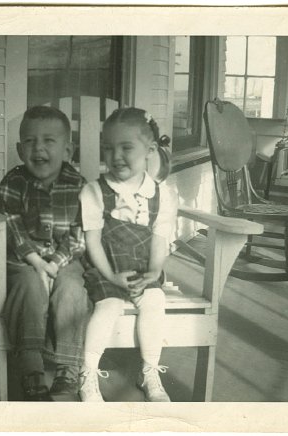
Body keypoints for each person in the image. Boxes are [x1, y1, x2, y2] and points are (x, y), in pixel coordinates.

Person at [78, 107, 177, 402]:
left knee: (155, 301)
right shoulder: (95, 191)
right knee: (108, 307)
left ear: (149, 150)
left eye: (126, 147)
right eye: (108, 148)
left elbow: (160, 238)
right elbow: (93, 241)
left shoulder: (162, 194)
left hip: (141, 271)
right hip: (105, 269)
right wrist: (111, 276)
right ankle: (88, 373)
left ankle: (149, 371)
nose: (115, 156)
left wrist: (154, 271)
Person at [0, 106, 88, 401]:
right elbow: (10, 223)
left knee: (72, 288)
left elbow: (79, 232)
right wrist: (35, 261)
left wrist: (56, 264)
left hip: (67, 259)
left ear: (68, 149)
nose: (39, 148)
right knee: (28, 286)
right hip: (24, 259)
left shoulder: (79, 186)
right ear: (20, 150)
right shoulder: (14, 182)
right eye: (31, 141)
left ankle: (67, 369)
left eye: (49, 141)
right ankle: (32, 367)